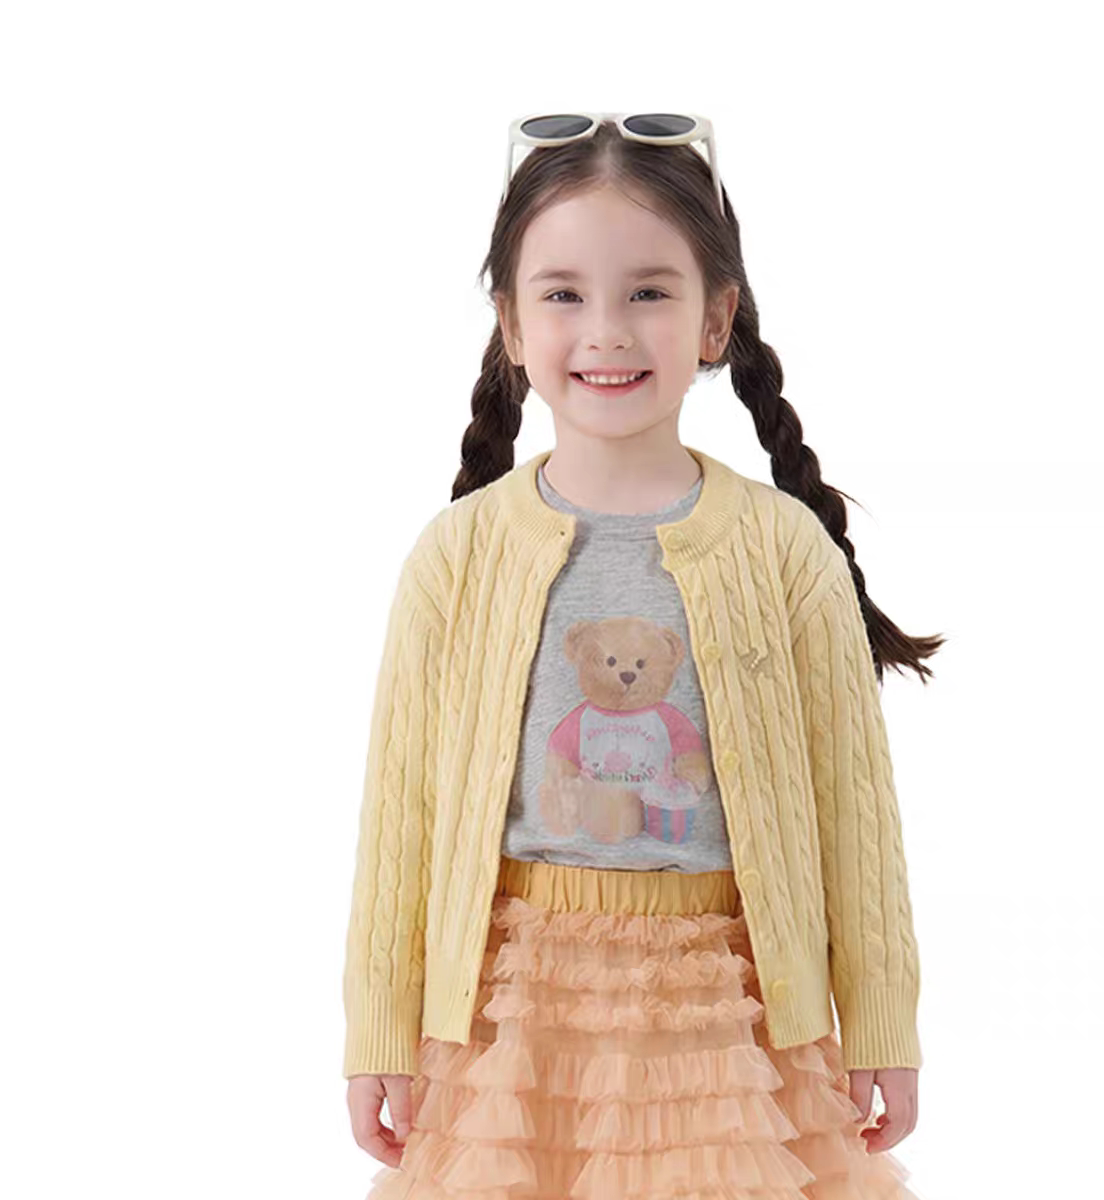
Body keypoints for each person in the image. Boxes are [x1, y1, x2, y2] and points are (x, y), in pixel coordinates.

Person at [342, 112, 943, 1199]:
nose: (607, 332)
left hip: (732, 1017)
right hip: (511, 1022)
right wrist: (378, 1026)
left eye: (650, 292)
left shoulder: (782, 550)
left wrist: (882, 1020)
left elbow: (854, 807)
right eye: (564, 294)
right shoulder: (457, 556)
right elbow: (402, 811)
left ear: (717, 319)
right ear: (510, 325)